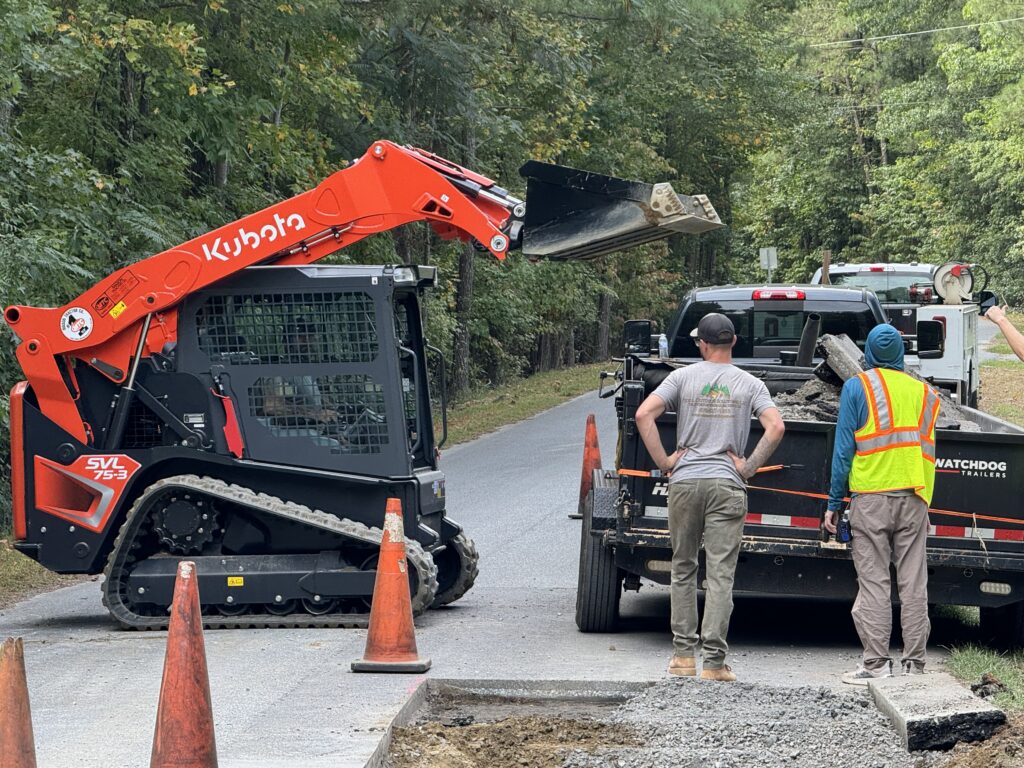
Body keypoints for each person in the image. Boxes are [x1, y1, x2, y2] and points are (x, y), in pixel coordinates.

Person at [635, 313, 785, 682]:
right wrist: (747, 468)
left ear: (701, 344)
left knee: (683, 567)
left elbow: (643, 414)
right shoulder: (750, 384)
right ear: (733, 342)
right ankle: (714, 663)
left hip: (685, 483)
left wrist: (666, 462)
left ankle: (683, 657)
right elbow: (776, 426)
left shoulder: (681, 377)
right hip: (727, 485)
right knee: (720, 575)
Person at [826, 323, 940, 685]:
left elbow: (844, 450)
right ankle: (915, 664)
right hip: (915, 498)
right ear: (902, 356)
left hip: (872, 499)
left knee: (874, 583)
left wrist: (833, 502)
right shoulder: (926, 393)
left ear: (869, 354)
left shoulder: (858, 387)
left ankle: (876, 665)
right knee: (913, 582)